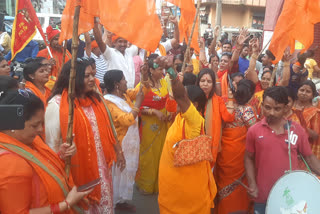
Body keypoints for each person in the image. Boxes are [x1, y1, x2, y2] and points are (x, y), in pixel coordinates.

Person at [45, 59, 125, 213]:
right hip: (77, 173)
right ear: (73, 78)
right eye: (87, 76)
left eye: (93, 75)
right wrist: (63, 153)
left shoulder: (96, 99)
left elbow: (108, 129)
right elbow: (51, 145)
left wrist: (118, 150)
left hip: (101, 169)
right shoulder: (57, 105)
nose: (92, 79)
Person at [0, 85, 91, 213]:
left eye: (41, 123)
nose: (40, 130)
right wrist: (66, 204)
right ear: (12, 124)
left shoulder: (29, 141)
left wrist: (60, 157)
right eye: (34, 125)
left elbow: (41, 168)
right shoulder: (10, 163)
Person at [245, 86, 320, 214]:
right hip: (263, 196)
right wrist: (252, 183)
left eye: (277, 108)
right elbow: (248, 157)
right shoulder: (254, 131)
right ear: (262, 105)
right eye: (267, 107)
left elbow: (309, 157)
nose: (271, 112)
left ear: (286, 108)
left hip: (291, 198)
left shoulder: (296, 130)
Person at [158, 55, 216, 214]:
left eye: (183, 102)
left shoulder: (195, 121)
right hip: (172, 193)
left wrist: (171, 71)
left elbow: (180, 96)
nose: (178, 103)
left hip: (187, 200)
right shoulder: (180, 118)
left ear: (195, 105)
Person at [103, 69, 148, 212]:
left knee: (126, 172)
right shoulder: (109, 102)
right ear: (117, 84)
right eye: (124, 79)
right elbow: (126, 120)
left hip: (130, 142)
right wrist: (138, 104)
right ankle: (114, 202)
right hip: (119, 144)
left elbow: (140, 91)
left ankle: (121, 200)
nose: (126, 82)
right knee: (118, 174)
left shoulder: (124, 94)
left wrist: (145, 76)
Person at [214, 79, 257, 214]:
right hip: (239, 157)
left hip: (224, 154)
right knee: (239, 187)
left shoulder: (227, 105)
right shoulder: (247, 111)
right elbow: (255, 133)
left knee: (223, 183)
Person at [135, 55, 171, 194]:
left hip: (163, 124)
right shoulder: (142, 86)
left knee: (161, 154)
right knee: (148, 155)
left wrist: (169, 112)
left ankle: (158, 184)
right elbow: (136, 106)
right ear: (150, 69)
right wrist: (154, 112)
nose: (162, 71)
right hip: (149, 125)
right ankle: (145, 185)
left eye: (163, 68)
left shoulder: (164, 82)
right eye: (159, 68)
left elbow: (169, 99)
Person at [196, 68, 235, 166]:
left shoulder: (218, 100)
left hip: (211, 145)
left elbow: (228, 118)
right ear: (198, 82)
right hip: (194, 143)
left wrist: (230, 98)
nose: (205, 84)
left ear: (213, 84)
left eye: (209, 81)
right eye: (202, 81)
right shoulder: (192, 99)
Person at [93, 18, 138, 89]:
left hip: (131, 93)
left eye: (125, 42)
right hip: (115, 92)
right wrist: (95, 25)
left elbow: (138, 40)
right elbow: (99, 42)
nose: (123, 44)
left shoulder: (130, 51)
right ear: (114, 42)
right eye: (120, 41)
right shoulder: (110, 53)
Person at [293, 80, 320, 158]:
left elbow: (315, 136)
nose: (304, 93)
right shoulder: (289, 108)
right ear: (297, 91)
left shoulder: (315, 113)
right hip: (287, 148)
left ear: (312, 95)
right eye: (302, 90)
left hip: (304, 153)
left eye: (308, 91)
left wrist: (302, 126)